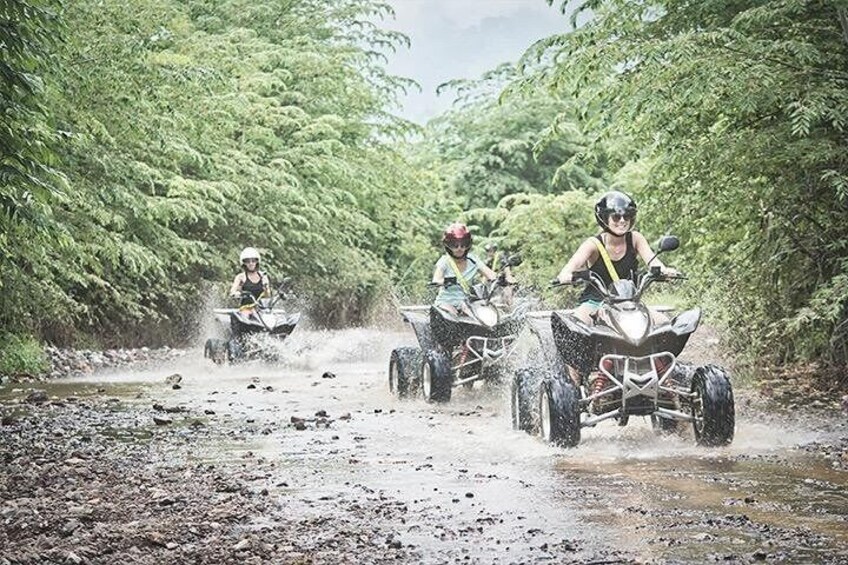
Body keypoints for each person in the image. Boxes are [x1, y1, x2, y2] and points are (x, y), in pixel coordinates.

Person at [432, 223, 499, 315]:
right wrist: (449, 281)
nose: (459, 248)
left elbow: (490, 275)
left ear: (468, 245)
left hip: (467, 303)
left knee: (479, 314)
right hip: (446, 302)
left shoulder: (473, 260)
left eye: (463, 244)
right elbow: (436, 280)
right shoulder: (444, 261)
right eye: (454, 245)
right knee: (451, 314)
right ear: (448, 245)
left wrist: (500, 280)